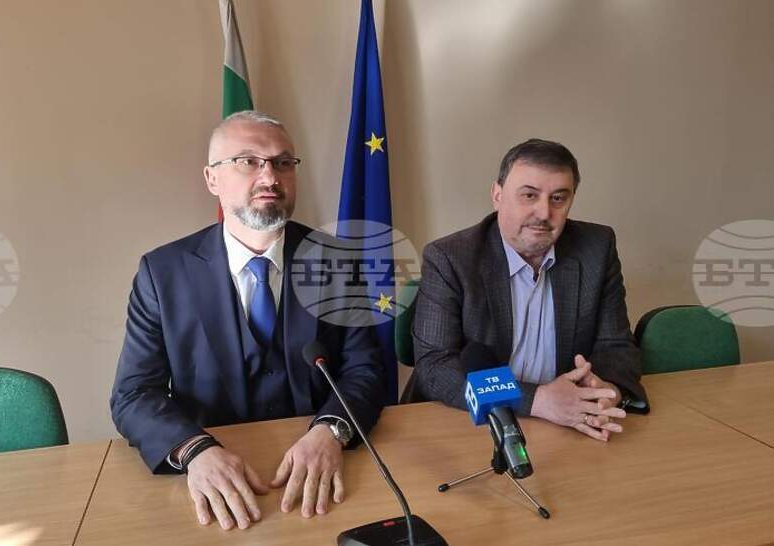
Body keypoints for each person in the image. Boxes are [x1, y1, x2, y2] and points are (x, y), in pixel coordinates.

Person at [110, 111, 385, 531]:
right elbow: (133, 393)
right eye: (248, 161)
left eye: (283, 162)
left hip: (319, 473)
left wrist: (331, 431)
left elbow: (365, 369)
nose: (270, 177)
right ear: (212, 179)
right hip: (214, 477)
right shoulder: (163, 273)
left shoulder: (335, 261)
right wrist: (194, 450)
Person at [405, 138, 649, 441]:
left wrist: (605, 391)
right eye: (529, 195)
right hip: (465, 422)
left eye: (558, 198)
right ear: (497, 196)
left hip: (563, 425)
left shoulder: (596, 249)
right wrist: (537, 400)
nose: (544, 213)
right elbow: (436, 368)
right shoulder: (450, 258)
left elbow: (617, 346)